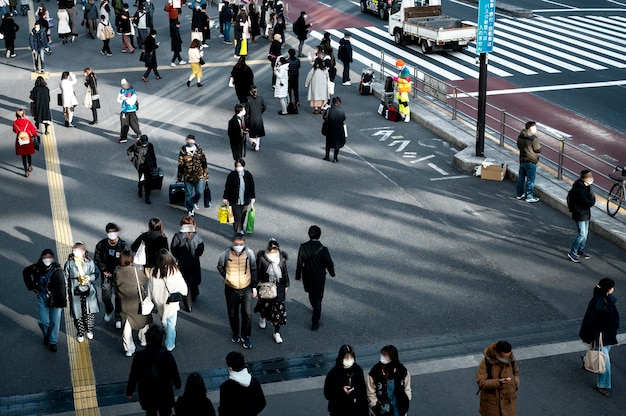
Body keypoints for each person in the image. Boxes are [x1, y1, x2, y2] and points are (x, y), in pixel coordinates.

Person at [126, 325, 182, 416]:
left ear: (147, 338)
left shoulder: (139, 356)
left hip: (147, 391)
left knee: (150, 412)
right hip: (164, 391)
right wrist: (177, 384)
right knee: (166, 412)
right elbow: (173, 372)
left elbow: (134, 375)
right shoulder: (166, 355)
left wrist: (129, 391)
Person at [579, 278, 619, 397]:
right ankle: (602, 385)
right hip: (602, 336)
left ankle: (587, 360)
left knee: (599, 354)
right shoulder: (602, 303)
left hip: (603, 336)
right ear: (608, 289)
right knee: (605, 362)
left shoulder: (598, 301)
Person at [217, 234, 258, 349]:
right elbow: (220, 266)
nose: (238, 246)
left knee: (247, 313)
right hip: (231, 289)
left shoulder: (249, 254)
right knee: (233, 313)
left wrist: (254, 286)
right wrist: (227, 276)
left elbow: (254, 269)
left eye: (241, 244)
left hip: (247, 288)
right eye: (236, 244)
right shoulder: (225, 254)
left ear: (244, 243)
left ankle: (246, 336)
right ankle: (235, 333)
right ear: (232, 243)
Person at [23, 249, 66, 352]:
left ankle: (52, 342)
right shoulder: (36, 268)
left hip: (55, 299)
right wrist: (31, 286)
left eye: (49, 258)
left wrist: (61, 302)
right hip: (42, 297)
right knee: (43, 321)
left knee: (55, 322)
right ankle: (46, 335)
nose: (47, 260)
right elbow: (26, 272)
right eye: (45, 258)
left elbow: (62, 288)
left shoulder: (57, 271)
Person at [295, 225, 335, 330]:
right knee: (318, 299)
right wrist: (332, 273)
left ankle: (314, 308)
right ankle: (315, 322)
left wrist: (298, 275)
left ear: (309, 234)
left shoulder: (303, 247)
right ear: (319, 235)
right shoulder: (323, 249)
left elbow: (299, 262)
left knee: (310, 292)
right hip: (319, 277)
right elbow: (329, 263)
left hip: (307, 275)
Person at [148, 249, 188, 351]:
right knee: (171, 324)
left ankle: (165, 329)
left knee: (164, 319)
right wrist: (184, 292)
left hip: (159, 301)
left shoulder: (153, 271)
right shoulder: (174, 271)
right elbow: (182, 286)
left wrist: (149, 299)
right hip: (171, 302)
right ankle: (170, 344)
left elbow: (149, 287)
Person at [114, 250, 152, 357]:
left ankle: (129, 348)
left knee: (126, 326)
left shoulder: (117, 271)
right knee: (143, 321)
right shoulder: (135, 271)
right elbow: (145, 281)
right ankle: (143, 339)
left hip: (123, 303)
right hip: (136, 301)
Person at [254, 238, 289, 344]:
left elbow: (285, 272)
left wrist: (287, 284)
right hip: (266, 287)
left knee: (279, 311)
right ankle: (262, 317)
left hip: (279, 288)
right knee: (265, 306)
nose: (274, 252)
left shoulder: (281, 259)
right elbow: (257, 274)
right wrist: (255, 287)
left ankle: (277, 332)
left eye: (276, 249)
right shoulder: (262, 259)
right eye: (272, 250)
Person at [65, 242, 100, 343]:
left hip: (89, 290)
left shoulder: (89, 262)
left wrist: (89, 277)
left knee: (90, 313)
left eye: (78, 251)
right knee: (78, 314)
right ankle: (80, 332)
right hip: (75, 291)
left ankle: (89, 330)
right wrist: (66, 292)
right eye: (74, 250)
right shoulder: (69, 264)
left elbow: (96, 273)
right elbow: (65, 278)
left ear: (83, 252)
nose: (76, 252)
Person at [94, 222, 128, 327]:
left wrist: (119, 272)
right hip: (106, 275)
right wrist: (103, 270)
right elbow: (97, 259)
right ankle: (109, 310)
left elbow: (126, 261)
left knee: (119, 296)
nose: (111, 235)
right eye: (109, 232)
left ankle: (118, 316)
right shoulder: (102, 245)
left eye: (113, 232)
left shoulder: (123, 246)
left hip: (119, 275)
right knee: (105, 296)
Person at [476, 341, 520, 416]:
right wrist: (499, 382)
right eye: (504, 357)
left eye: (508, 356)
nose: (507, 359)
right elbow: (481, 382)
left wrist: (515, 384)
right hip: (492, 404)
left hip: (508, 402)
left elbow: (516, 372)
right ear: (497, 354)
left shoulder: (511, 359)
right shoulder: (486, 363)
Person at [324, 344, 369, 416]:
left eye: (351, 358)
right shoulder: (333, 374)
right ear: (341, 358)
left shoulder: (358, 370)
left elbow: (363, 391)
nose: (349, 361)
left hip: (357, 410)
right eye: (346, 358)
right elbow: (327, 394)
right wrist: (341, 390)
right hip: (339, 410)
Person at [367, 345, 412, 416]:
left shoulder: (402, 371)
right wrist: (374, 406)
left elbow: (407, 388)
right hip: (381, 409)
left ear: (392, 357)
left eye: (385, 355)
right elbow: (370, 392)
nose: (382, 357)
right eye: (382, 355)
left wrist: (406, 403)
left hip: (397, 408)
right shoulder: (375, 372)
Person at [219, 351, 266, 416]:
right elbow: (262, 402)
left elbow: (223, 410)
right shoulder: (254, 381)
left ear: (230, 368)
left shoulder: (226, 387)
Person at [170, 215, 204, 302]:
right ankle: (194, 294)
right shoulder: (197, 236)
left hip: (182, 262)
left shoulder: (178, 236)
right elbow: (200, 250)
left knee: (184, 279)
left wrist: (179, 256)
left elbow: (173, 249)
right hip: (194, 262)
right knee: (194, 280)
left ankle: (186, 296)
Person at [567, 170, 596, 263]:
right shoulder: (580, 190)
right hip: (580, 214)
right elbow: (588, 202)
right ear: (585, 179)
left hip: (584, 213)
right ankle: (573, 252)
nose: (591, 179)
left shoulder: (585, 187)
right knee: (582, 234)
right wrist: (592, 197)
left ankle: (580, 250)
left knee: (585, 233)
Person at [177, 134, 209, 217]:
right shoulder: (183, 151)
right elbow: (180, 165)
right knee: (189, 194)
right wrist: (179, 177)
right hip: (188, 176)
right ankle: (190, 209)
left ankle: (194, 201)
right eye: (188, 140)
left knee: (199, 192)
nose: (190, 142)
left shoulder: (199, 150)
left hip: (199, 176)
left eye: (191, 140)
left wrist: (206, 175)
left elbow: (204, 163)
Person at [222, 158, 255, 234]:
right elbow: (228, 187)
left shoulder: (248, 175)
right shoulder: (231, 175)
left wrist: (253, 197)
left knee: (243, 215)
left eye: (240, 166)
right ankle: (238, 231)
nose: (239, 167)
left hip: (245, 200)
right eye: (237, 166)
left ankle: (240, 228)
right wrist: (225, 197)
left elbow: (252, 186)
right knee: (237, 216)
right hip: (234, 200)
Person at [127, 134, 158, 204]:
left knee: (149, 181)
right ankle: (140, 188)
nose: (144, 145)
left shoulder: (150, 146)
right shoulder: (136, 146)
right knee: (141, 179)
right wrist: (133, 160)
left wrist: (155, 165)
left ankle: (147, 196)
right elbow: (129, 151)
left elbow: (153, 155)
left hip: (149, 166)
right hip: (140, 166)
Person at [515, 121, 541, 203]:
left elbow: (518, 145)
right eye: (535, 127)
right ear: (531, 128)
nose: (536, 129)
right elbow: (537, 149)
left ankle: (519, 194)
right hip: (531, 160)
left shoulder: (521, 136)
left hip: (522, 159)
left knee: (521, 177)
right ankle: (529, 196)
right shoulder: (533, 138)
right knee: (530, 179)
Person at [12, 108, 38, 177]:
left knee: (23, 156)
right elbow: (34, 132)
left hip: (20, 140)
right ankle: (30, 165)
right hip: (28, 140)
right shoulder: (27, 122)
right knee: (28, 154)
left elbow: (14, 131)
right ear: (24, 115)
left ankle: (26, 171)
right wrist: (35, 136)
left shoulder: (15, 123)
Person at [117, 78, 141, 143]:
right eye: (122, 84)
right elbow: (118, 100)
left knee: (133, 124)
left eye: (124, 84)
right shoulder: (122, 91)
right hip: (124, 110)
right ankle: (123, 137)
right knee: (124, 124)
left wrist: (125, 98)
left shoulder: (133, 92)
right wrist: (122, 98)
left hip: (131, 111)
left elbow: (131, 102)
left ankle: (138, 133)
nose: (123, 85)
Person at [323, 96, 346, 163]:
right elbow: (343, 118)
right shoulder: (341, 111)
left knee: (328, 143)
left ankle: (327, 156)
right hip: (338, 129)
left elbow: (324, 118)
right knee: (337, 144)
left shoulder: (328, 110)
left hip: (329, 128)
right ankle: (335, 158)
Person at [245, 86, 265, 151]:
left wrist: (245, 117)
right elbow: (265, 107)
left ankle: (253, 142)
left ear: (250, 92)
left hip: (251, 118)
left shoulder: (248, 99)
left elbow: (247, 110)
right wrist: (260, 112)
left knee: (250, 133)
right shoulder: (260, 98)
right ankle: (257, 146)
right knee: (258, 134)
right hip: (259, 117)